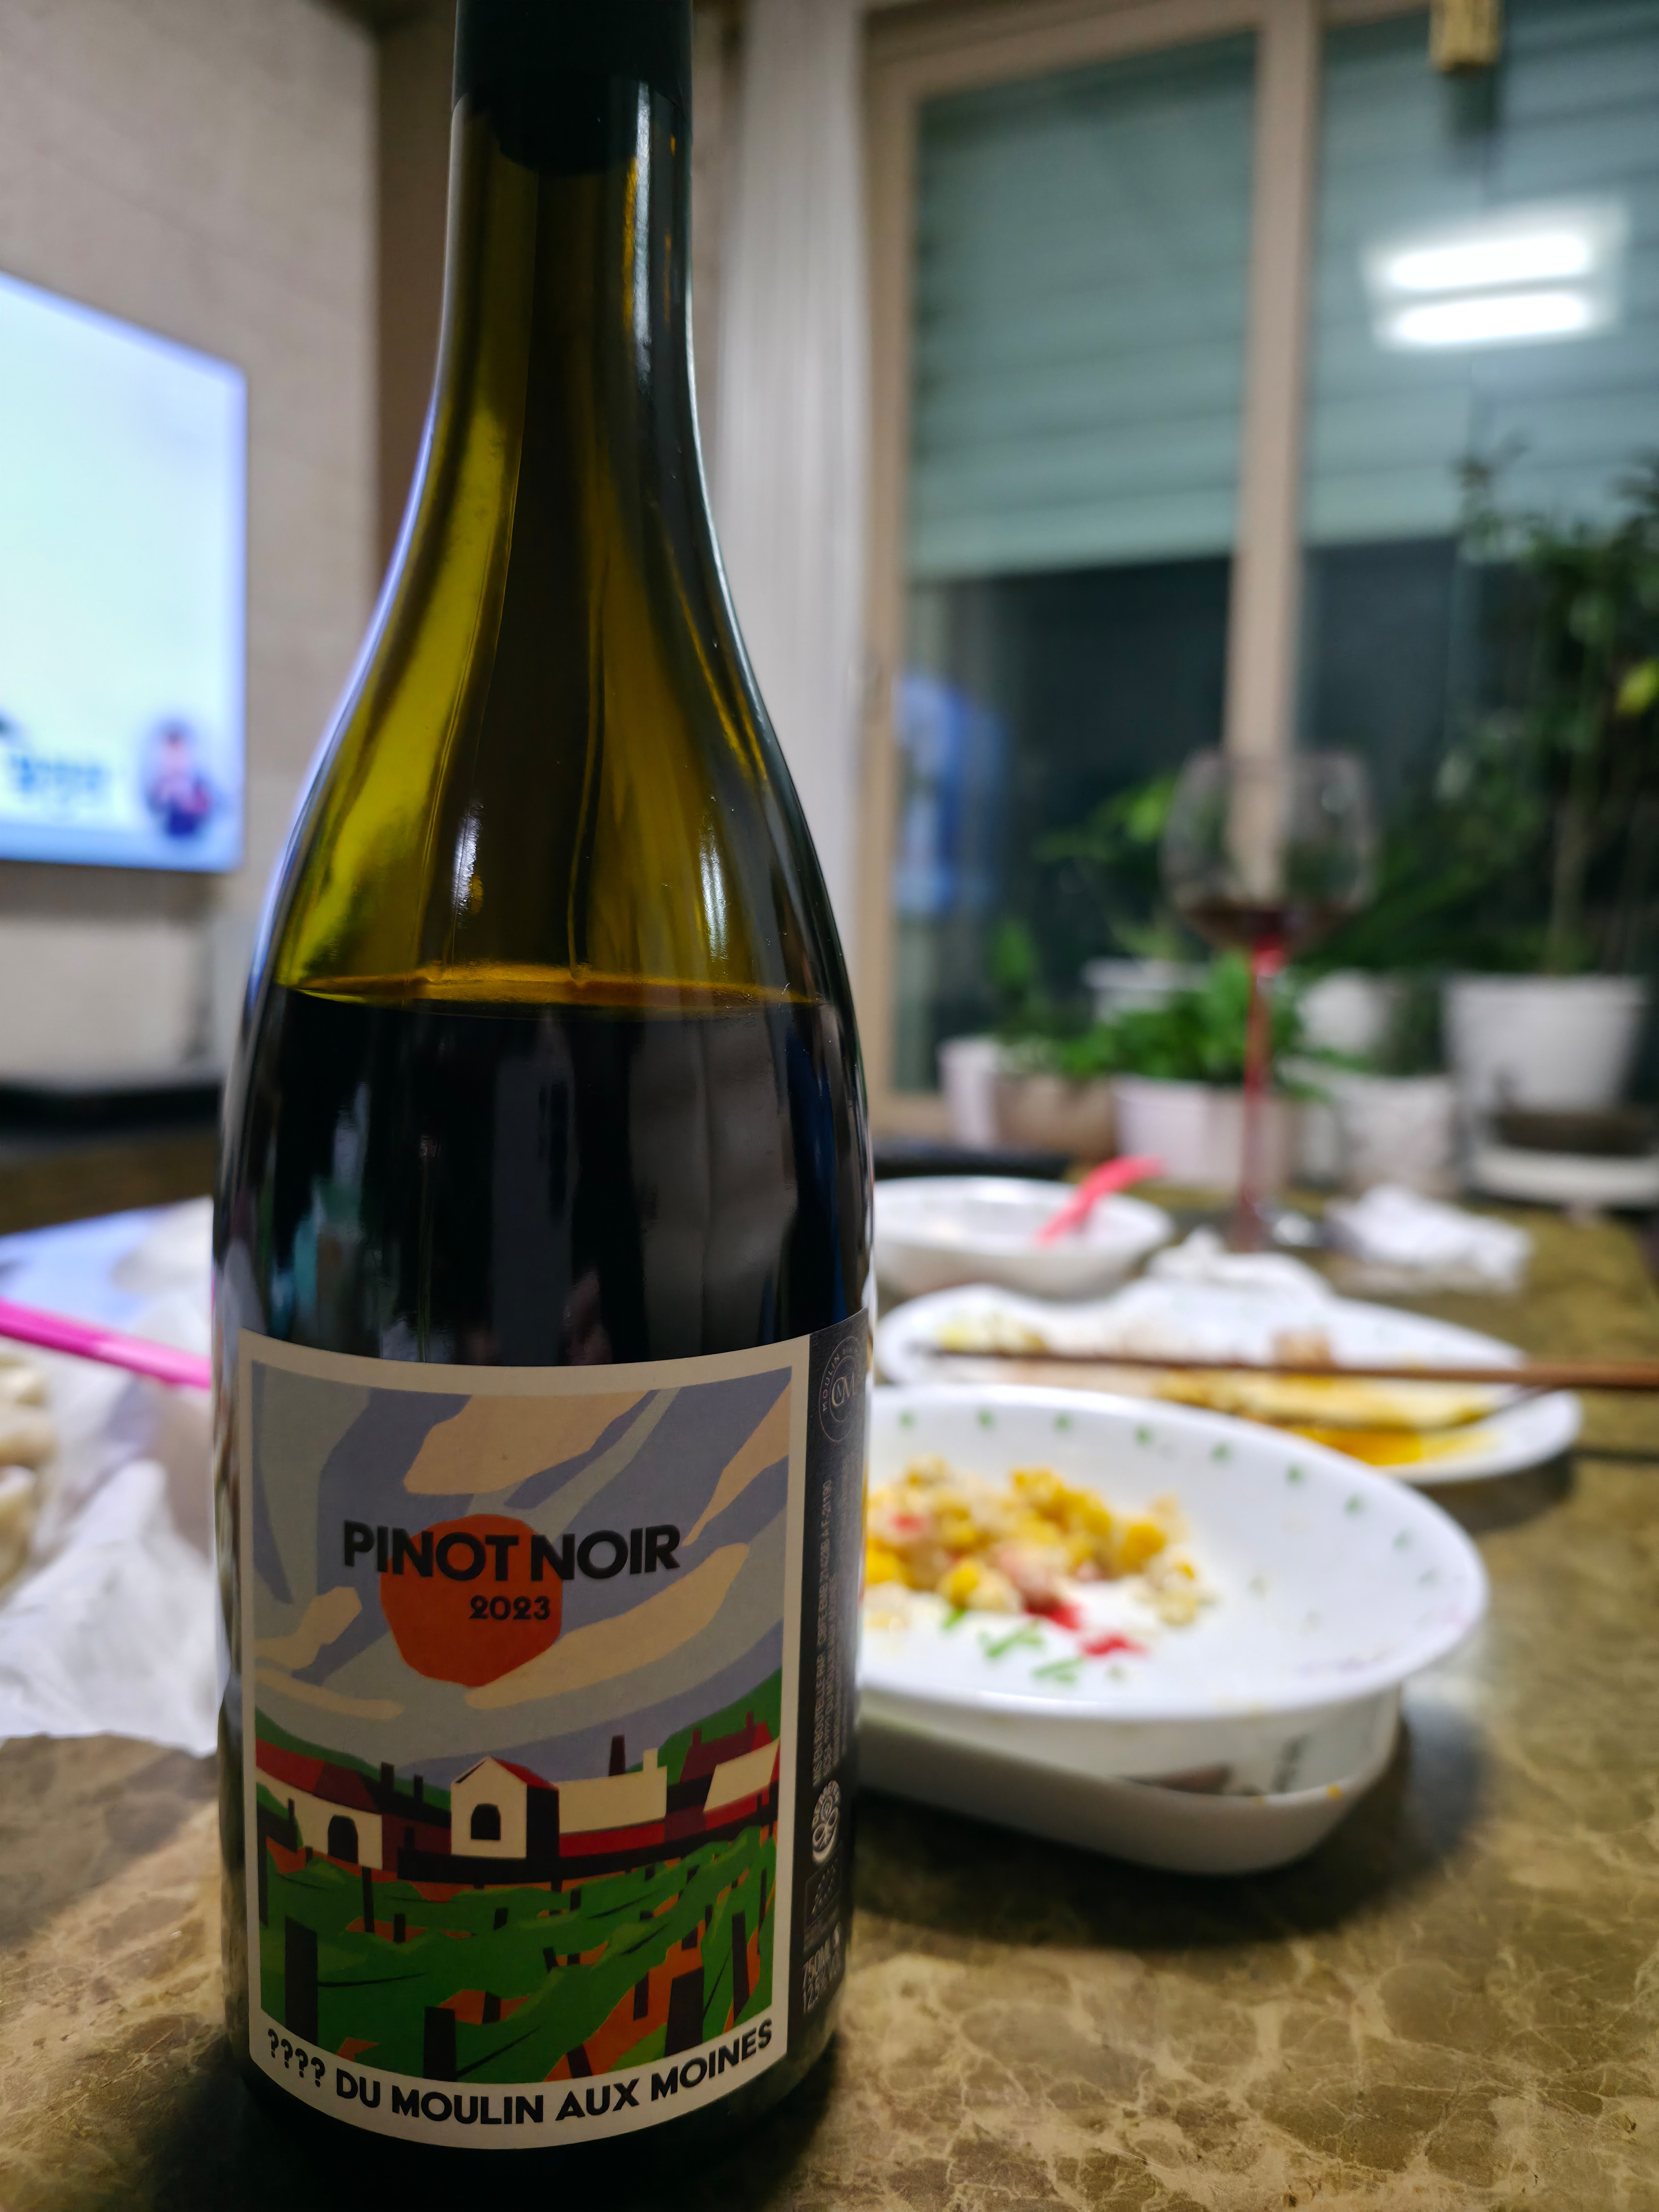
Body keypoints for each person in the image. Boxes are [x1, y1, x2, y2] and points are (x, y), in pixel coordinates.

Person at [144, 722, 214, 839]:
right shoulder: (155, 795)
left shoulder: (202, 794)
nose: (175, 764)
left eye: (180, 756)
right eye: (170, 757)